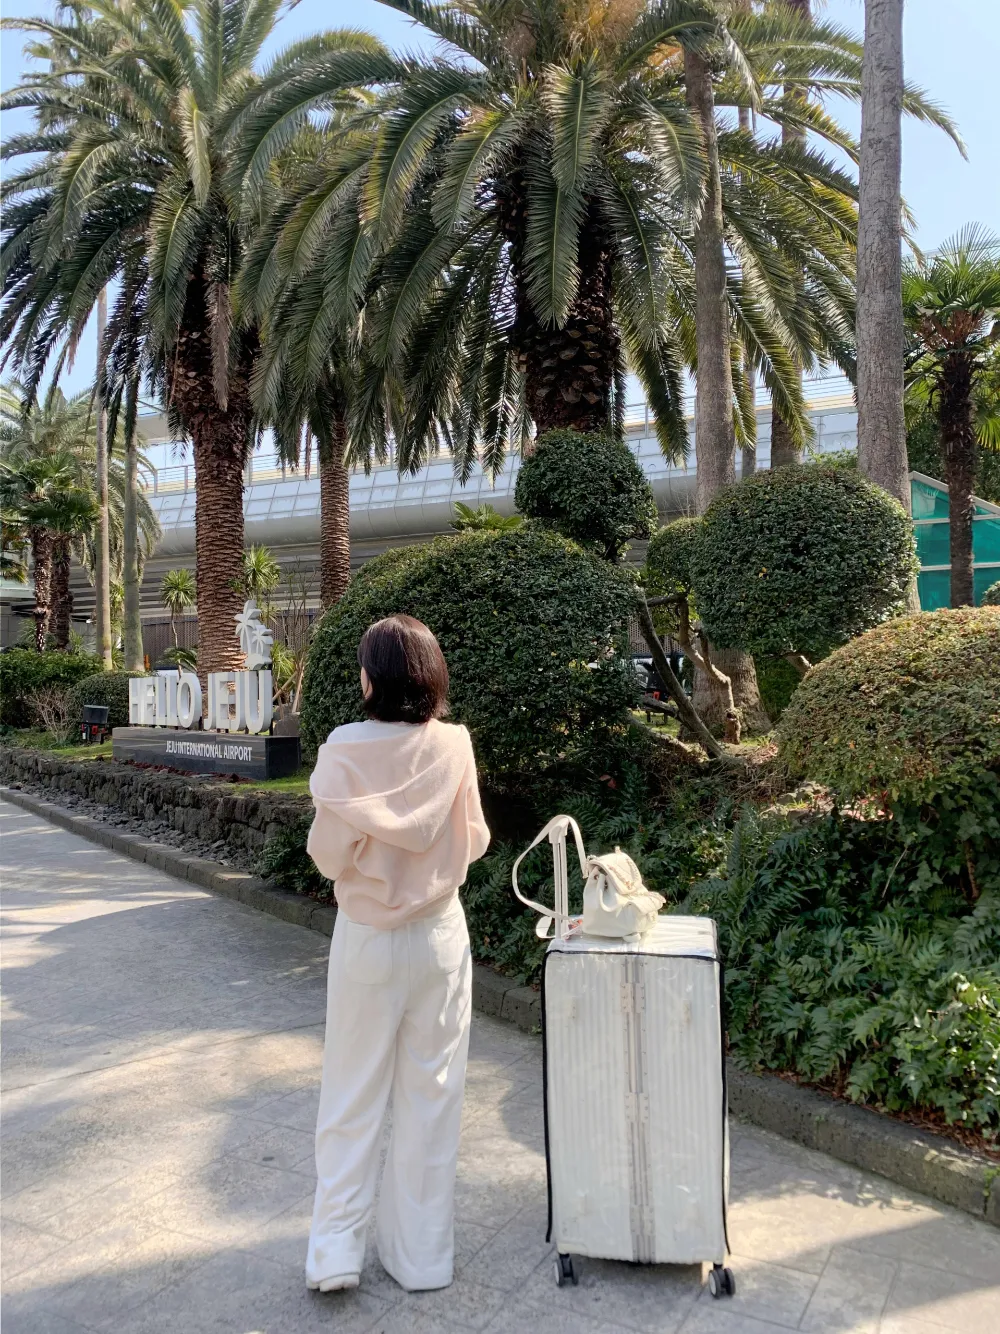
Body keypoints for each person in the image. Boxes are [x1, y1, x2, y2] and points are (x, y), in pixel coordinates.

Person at [304, 614, 490, 1295]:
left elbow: (328, 856)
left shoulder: (344, 751)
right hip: (440, 936)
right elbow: (475, 839)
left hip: (368, 939)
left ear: (371, 678)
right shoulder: (455, 745)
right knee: (432, 1097)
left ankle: (335, 1252)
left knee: (351, 1092)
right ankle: (422, 1259)